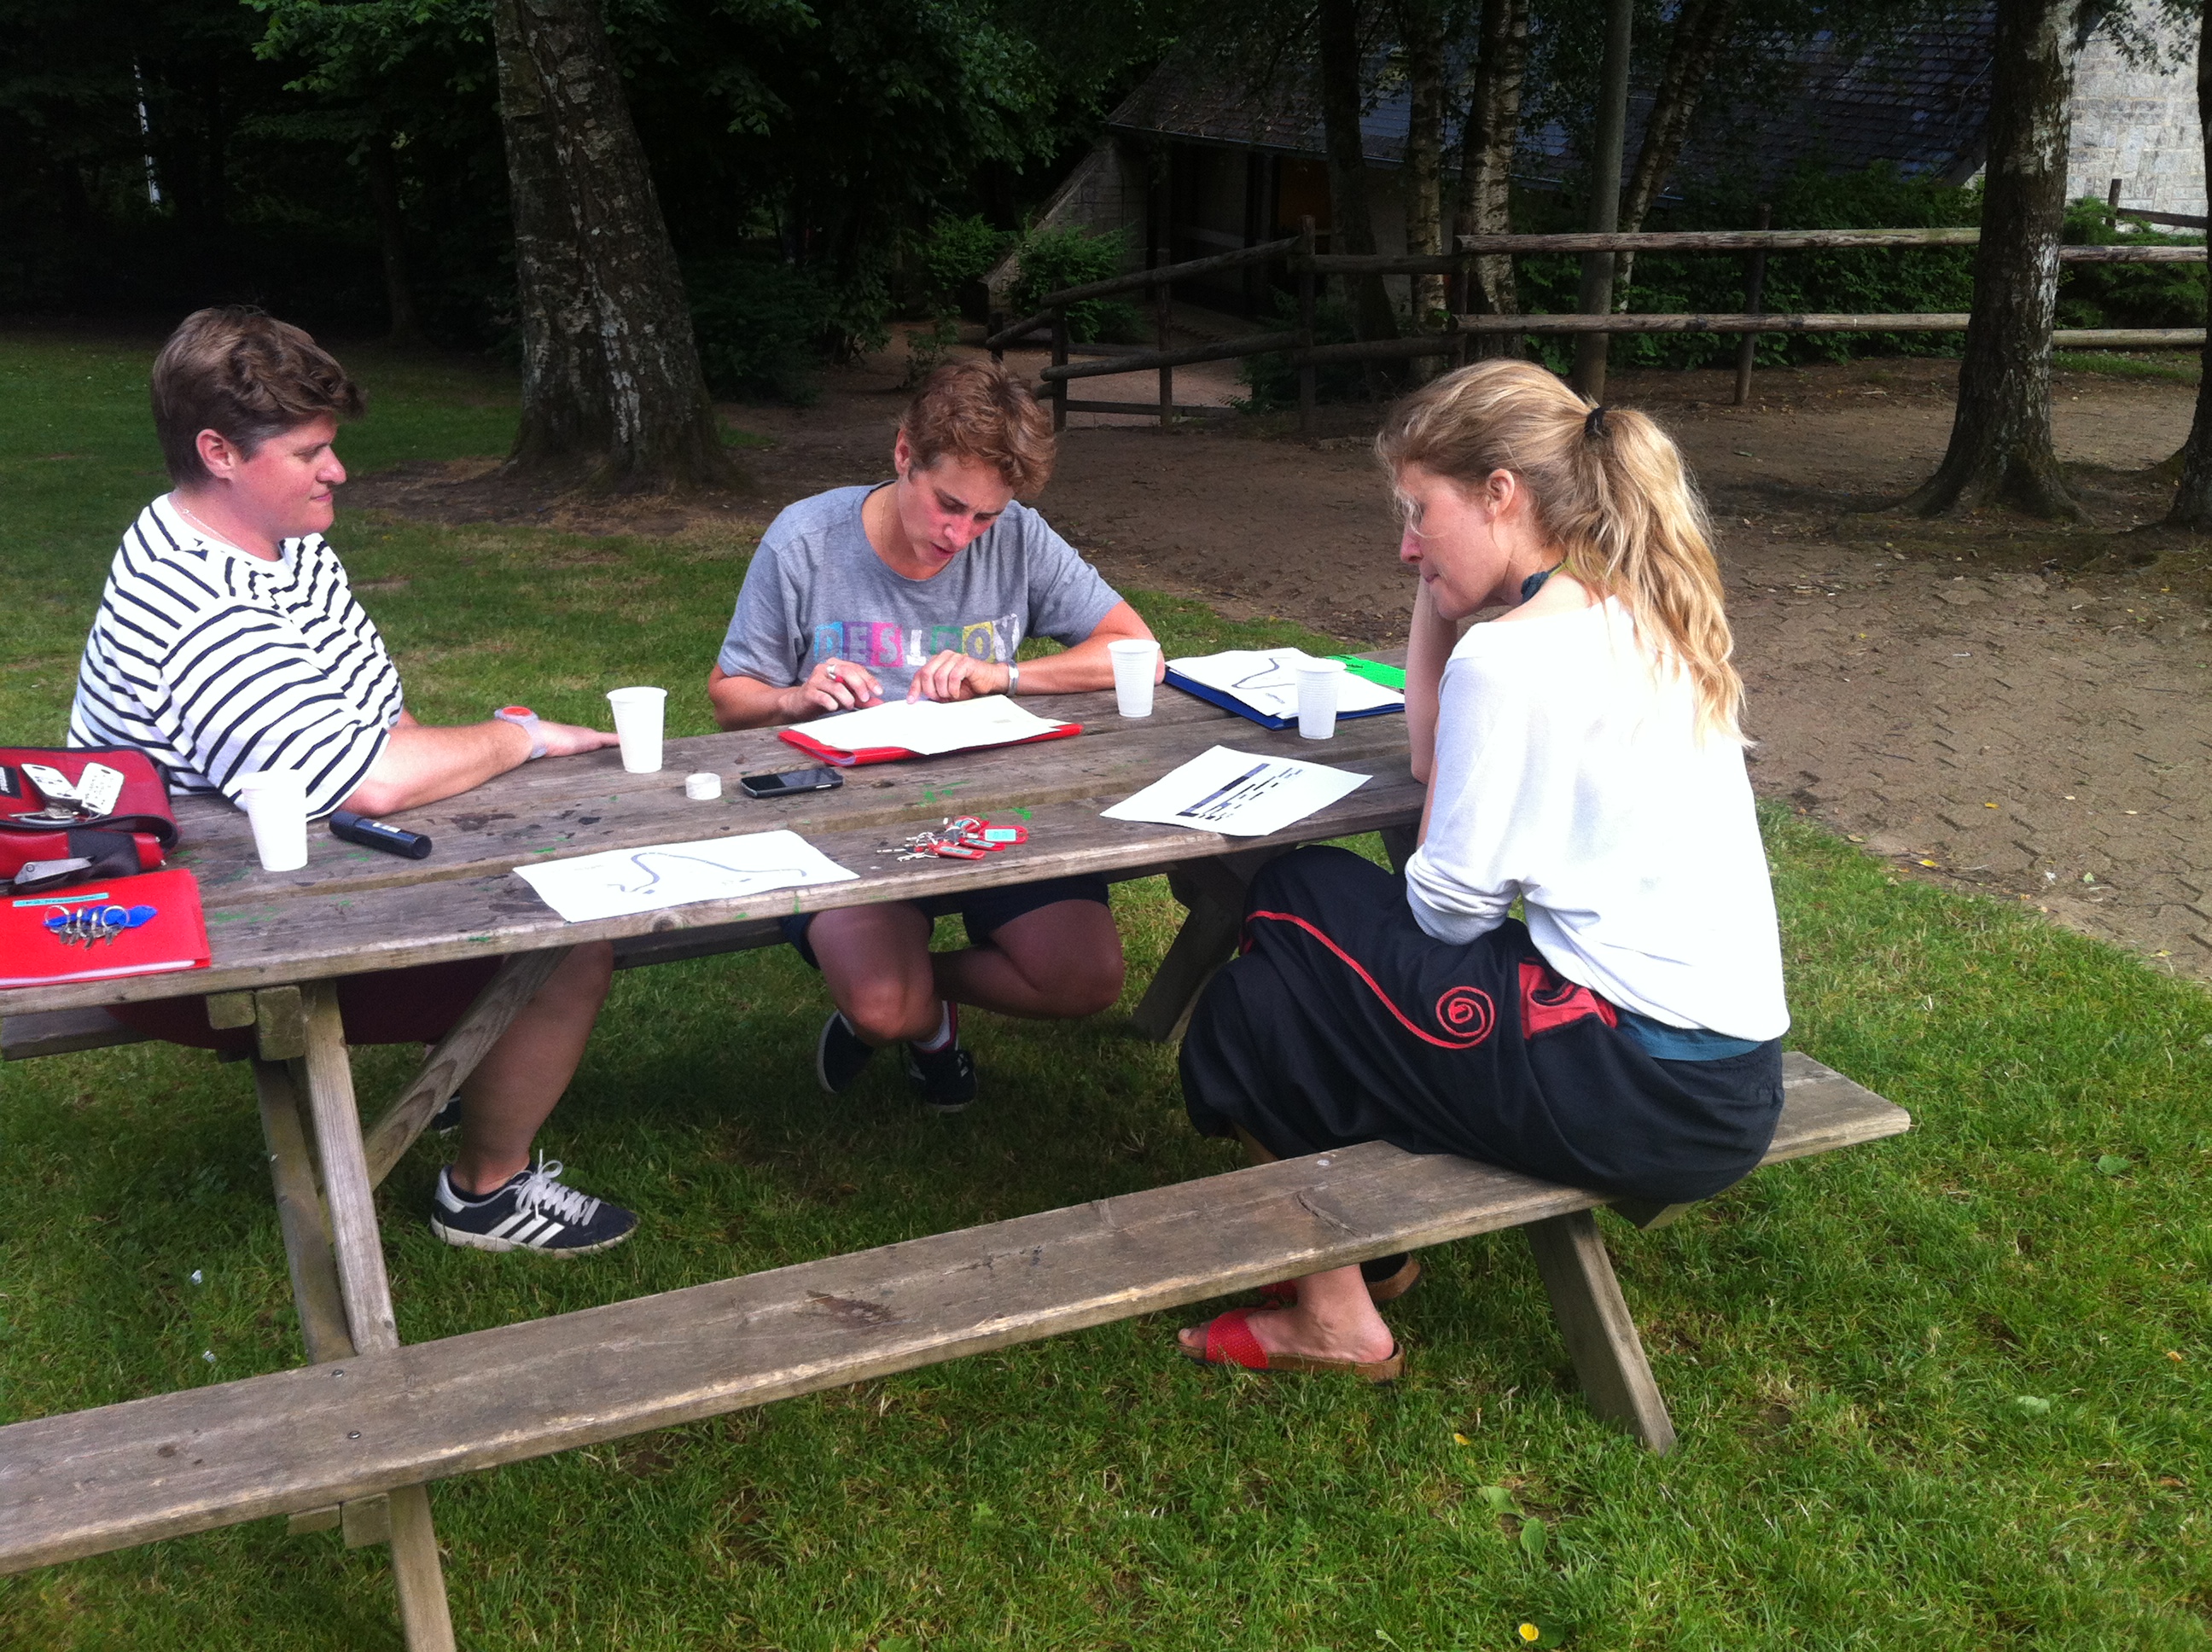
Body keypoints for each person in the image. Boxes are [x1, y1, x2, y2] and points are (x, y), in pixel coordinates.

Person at [1173, 359, 1790, 1382]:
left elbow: (1447, 912)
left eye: (1421, 513)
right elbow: (1436, 763)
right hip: (1729, 1080)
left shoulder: (1513, 656)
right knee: (1286, 944)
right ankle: (1367, 1266)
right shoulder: (1643, 609)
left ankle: (1342, 1314)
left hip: (1640, 1085)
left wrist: (1458, 621)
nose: (1406, 545)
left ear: (1501, 492)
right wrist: (1445, 593)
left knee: (1274, 941)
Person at [70, 305, 638, 1256]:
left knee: (536, 873)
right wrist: (520, 736)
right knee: (569, 943)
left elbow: (386, 718)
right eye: (309, 452)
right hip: (188, 942)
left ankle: (471, 1075)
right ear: (218, 452)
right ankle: (484, 1194)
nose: (336, 470)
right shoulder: (198, 604)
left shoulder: (281, 542)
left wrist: (460, 758)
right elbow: (370, 780)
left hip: (273, 881)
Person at [708, 358, 1163, 1111]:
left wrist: (1005, 675)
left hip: (994, 808)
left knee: (1084, 982)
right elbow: (730, 698)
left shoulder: (1016, 537)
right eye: (950, 504)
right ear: (903, 455)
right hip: (849, 819)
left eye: (985, 517)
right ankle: (922, 1020)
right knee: (883, 1009)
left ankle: (930, 990)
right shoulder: (807, 540)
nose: (961, 535)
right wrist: (794, 697)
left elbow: (1138, 652)